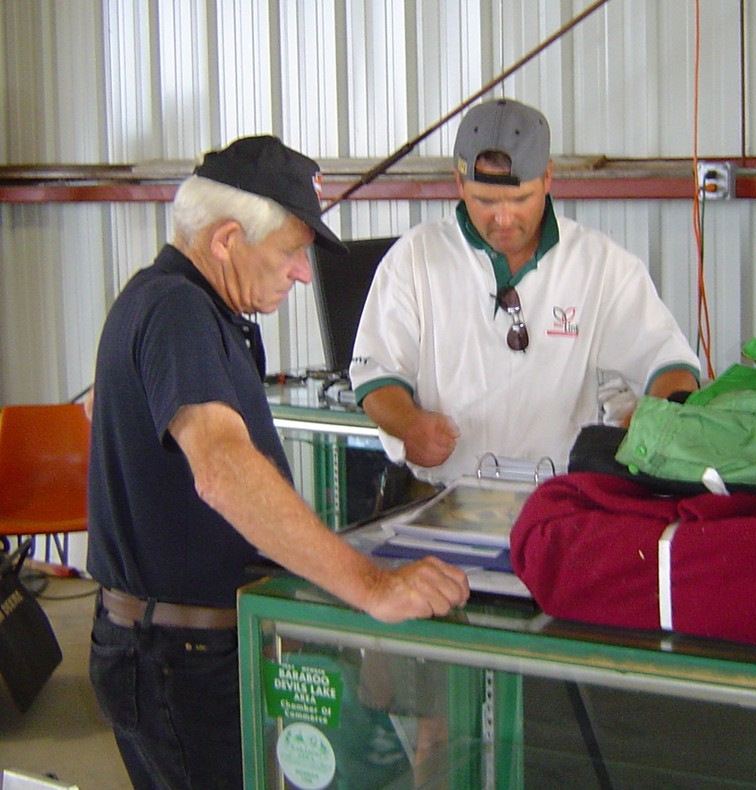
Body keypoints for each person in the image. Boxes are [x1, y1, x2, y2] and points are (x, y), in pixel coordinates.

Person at [86, 135, 470, 790]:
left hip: (180, 648)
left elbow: (108, 411)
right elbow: (223, 470)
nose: (300, 272)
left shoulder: (175, 306)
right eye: (291, 250)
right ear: (225, 239)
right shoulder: (179, 310)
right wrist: (371, 586)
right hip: (182, 662)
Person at [350, 98, 701, 484]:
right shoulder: (415, 259)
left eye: (520, 199)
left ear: (548, 179)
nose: (503, 219)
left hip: (556, 500)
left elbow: (670, 364)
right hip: (443, 496)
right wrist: (410, 424)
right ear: (459, 184)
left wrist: (656, 419)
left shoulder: (599, 264)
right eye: (485, 201)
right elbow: (376, 376)